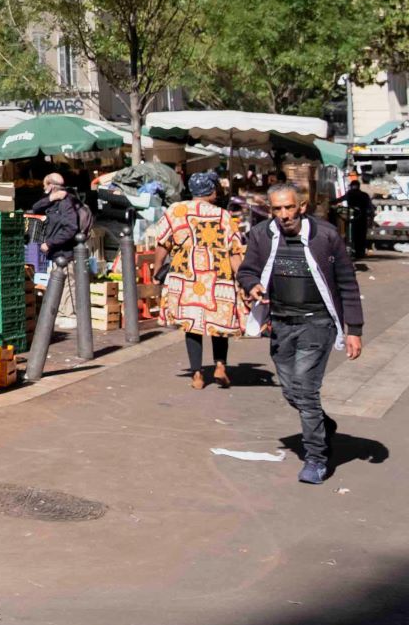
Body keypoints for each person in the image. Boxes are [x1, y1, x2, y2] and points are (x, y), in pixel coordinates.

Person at [239, 182, 364, 485]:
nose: (284, 215)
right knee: (291, 391)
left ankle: (316, 458)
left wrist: (354, 330)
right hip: (281, 324)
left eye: (289, 207)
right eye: (277, 209)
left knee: (306, 391)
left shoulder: (326, 236)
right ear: (271, 211)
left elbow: (347, 282)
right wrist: (251, 284)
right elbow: (246, 270)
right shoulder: (260, 235)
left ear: (301, 207)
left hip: (317, 323)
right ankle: (321, 424)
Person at [151, 170, 247, 389]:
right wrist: (243, 279)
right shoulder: (223, 216)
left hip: (186, 276)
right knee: (218, 323)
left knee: (192, 325)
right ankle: (220, 365)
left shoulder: (177, 210)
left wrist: (158, 270)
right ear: (212, 191)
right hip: (218, 277)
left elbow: (162, 243)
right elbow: (233, 250)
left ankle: (196, 374)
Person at [342, 177, 373, 262]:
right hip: (359, 218)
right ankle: (359, 252)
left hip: (355, 218)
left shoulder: (351, 194)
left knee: (356, 235)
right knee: (359, 236)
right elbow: (370, 208)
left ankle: (357, 252)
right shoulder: (363, 195)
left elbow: (369, 208)